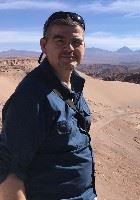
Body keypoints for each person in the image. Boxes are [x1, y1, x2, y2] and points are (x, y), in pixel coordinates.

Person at [0, 11, 96, 200]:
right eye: (60, 40)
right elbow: (9, 175)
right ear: (44, 45)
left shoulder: (74, 85)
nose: (69, 48)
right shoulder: (31, 97)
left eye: (76, 42)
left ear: (84, 46)